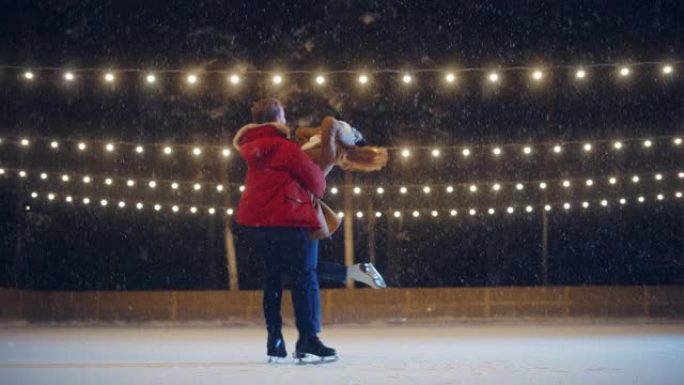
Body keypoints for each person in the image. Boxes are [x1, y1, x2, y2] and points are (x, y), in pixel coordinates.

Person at [233, 98, 336, 363]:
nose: (285, 119)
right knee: (303, 278)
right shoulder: (285, 148)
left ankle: (274, 340)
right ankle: (307, 340)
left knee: (272, 280)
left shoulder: (251, 149)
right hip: (291, 222)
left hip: (262, 225)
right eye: (283, 114)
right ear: (276, 119)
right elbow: (317, 183)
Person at [296, 116, 389, 333]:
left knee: (303, 270)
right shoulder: (321, 145)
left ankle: (312, 332)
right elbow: (301, 132)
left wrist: (328, 137)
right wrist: (316, 133)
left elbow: (329, 121)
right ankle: (355, 272)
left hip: (302, 210)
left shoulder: (330, 149)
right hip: (298, 208)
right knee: (301, 269)